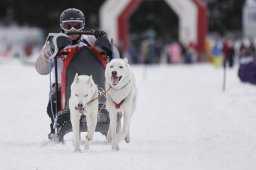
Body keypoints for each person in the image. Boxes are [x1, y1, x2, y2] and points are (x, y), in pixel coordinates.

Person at [35, 8, 118, 139]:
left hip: (93, 86)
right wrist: (51, 50)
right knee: (54, 94)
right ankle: (56, 127)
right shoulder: (54, 42)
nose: (72, 29)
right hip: (64, 88)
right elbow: (41, 70)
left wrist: (108, 46)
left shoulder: (90, 40)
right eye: (68, 25)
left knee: (113, 89)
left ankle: (111, 124)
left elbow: (115, 62)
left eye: (77, 25)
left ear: (82, 26)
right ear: (62, 26)